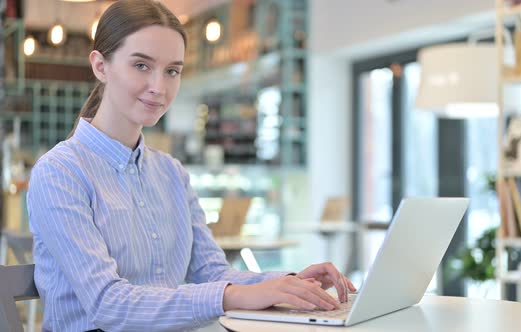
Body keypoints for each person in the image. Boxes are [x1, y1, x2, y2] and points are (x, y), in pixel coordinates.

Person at [26, 1, 355, 331]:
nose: (159, 87)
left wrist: (291, 283)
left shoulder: (170, 173)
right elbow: (107, 304)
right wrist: (230, 297)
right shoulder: (60, 172)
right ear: (100, 66)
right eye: (141, 65)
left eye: (172, 71)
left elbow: (212, 272)